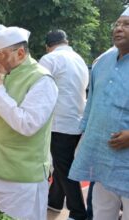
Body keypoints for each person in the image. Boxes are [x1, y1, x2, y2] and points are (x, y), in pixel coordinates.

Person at [0, 25, 58, 220]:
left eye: (0, 55)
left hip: (24, 177)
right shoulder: (7, 75)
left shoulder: (42, 79)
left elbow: (28, 124)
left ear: (20, 53)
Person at [68, 8, 129, 220]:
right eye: (117, 24)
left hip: (127, 159)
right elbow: (92, 104)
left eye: (126, 24)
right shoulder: (102, 62)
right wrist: (85, 136)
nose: (119, 28)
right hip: (102, 154)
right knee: (101, 210)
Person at [39, 29, 89, 220]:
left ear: (48, 46)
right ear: (66, 41)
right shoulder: (79, 59)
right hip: (77, 120)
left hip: (59, 123)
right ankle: (55, 200)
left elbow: (40, 90)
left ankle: (78, 212)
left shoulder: (49, 59)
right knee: (62, 164)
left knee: (64, 167)